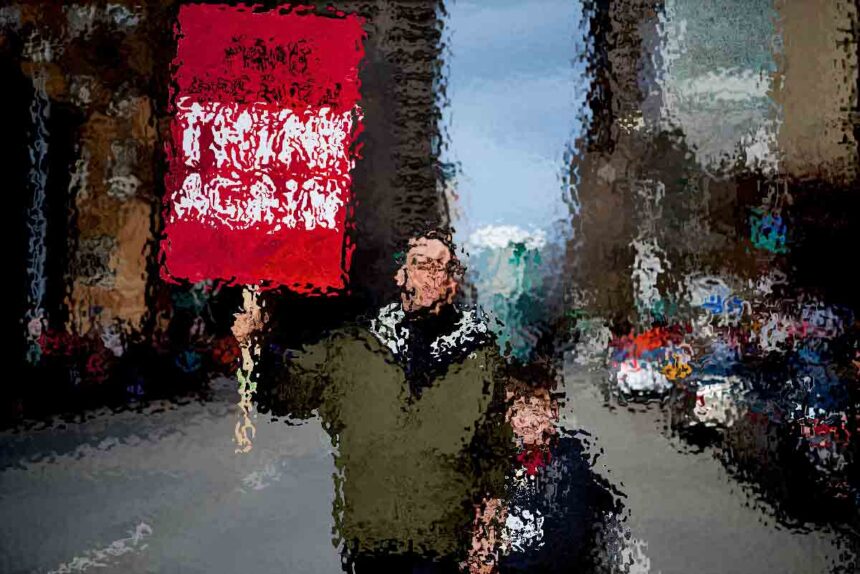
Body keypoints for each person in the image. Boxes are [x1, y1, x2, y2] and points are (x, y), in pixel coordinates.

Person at [235, 231, 513, 573]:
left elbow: (496, 453)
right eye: (420, 264)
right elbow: (287, 396)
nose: (431, 274)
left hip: (446, 546)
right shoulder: (353, 347)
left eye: (441, 266)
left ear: (452, 281)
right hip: (370, 543)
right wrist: (256, 344)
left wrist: (487, 533)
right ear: (400, 275)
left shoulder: (479, 357)